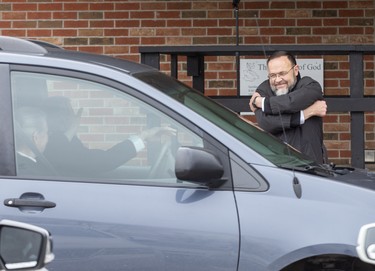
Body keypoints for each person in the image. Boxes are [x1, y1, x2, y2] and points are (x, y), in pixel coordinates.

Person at [42, 96, 175, 176]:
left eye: (70, 111)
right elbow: (102, 162)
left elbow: (96, 159)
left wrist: (142, 138)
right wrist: (143, 136)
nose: (72, 114)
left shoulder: (66, 142)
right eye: (67, 111)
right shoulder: (51, 147)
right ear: (55, 118)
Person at [249, 51, 327, 164]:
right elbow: (266, 123)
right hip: (278, 165)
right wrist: (306, 114)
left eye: (282, 73)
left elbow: (292, 102)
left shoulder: (310, 86)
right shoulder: (264, 89)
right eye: (272, 75)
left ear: (295, 70)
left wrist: (264, 103)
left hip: (311, 165)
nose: (277, 79)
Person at [14, 107, 56, 176]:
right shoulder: (34, 174)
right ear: (36, 137)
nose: (48, 138)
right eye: (46, 132)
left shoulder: (10, 164)